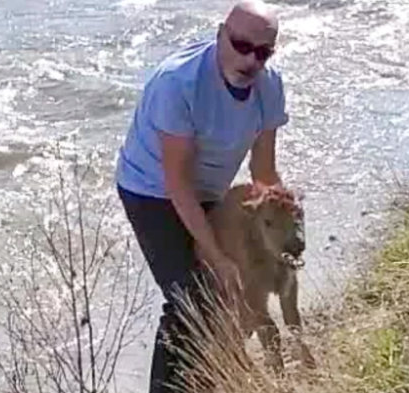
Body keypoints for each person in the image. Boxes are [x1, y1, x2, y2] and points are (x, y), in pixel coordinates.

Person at [114, 0, 289, 391]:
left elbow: (263, 173)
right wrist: (216, 255)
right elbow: (178, 185)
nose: (250, 59)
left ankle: (214, 375)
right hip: (151, 189)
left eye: (262, 52)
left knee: (241, 282)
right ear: (220, 34)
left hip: (209, 188)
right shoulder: (178, 83)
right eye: (242, 45)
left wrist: (281, 217)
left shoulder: (269, 86)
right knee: (190, 295)